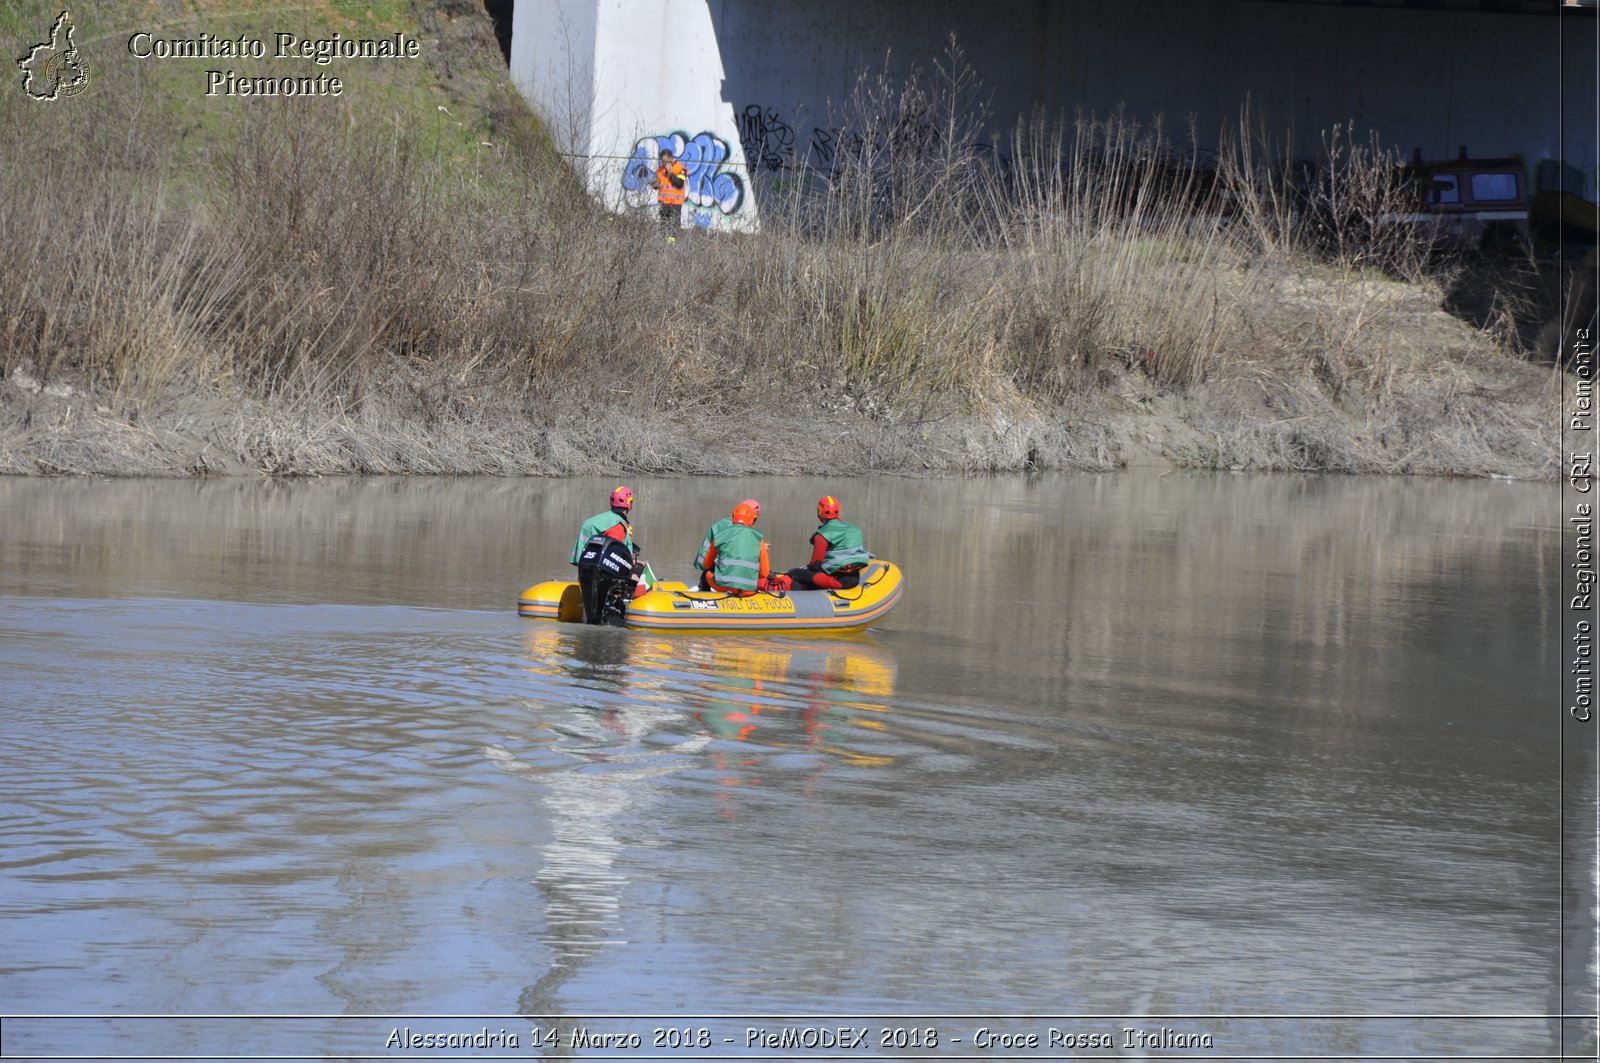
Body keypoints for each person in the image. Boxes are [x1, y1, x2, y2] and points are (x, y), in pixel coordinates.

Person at [571, 486, 649, 624]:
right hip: (606, 575)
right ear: (629, 504)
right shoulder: (617, 525)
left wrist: (633, 560)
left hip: (586, 568)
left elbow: (610, 549)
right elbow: (615, 552)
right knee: (643, 574)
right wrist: (631, 574)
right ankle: (635, 610)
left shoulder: (600, 520)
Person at [781, 494, 872, 591]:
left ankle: (799, 602)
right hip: (854, 580)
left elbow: (815, 566)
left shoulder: (821, 536)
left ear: (819, 512)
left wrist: (803, 570)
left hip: (837, 581)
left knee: (795, 573)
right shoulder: (855, 529)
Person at [696, 499, 772, 595]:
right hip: (747, 591)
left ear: (733, 516)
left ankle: (704, 595)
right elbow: (764, 574)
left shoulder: (721, 535)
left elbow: (706, 565)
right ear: (752, 518)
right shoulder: (759, 540)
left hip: (722, 587)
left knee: (708, 573)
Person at [652, 149, 688, 235]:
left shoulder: (681, 169)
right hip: (664, 202)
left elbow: (679, 184)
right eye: (663, 161)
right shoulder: (660, 170)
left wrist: (670, 173)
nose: (665, 164)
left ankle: (672, 242)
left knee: (675, 224)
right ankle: (663, 242)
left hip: (675, 202)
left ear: (671, 158)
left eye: (666, 161)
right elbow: (656, 182)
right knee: (663, 224)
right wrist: (654, 185)